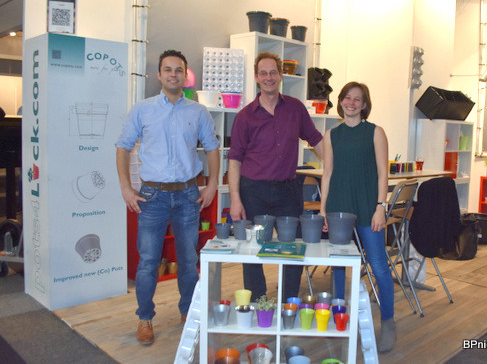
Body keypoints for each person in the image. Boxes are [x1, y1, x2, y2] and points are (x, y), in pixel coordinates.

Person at [116, 50, 219, 346]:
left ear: (185, 76)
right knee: (148, 261)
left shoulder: (198, 112)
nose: (173, 74)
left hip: (188, 195)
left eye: (179, 70)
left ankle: (187, 313)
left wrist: (212, 184)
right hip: (152, 196)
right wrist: (126, 188)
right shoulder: (142, 110)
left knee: (188, 259)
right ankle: (145, 318)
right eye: (168, 70)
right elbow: (123, 147)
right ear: (159, 75)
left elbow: (212, 148)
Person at [228, 51, 323, 301]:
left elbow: (316, 140)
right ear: (256, 77)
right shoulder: (244, 117)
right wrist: (235, 199)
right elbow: (235, 160)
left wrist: (337, 164)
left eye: (273, 72)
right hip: (253, 191)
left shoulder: (295, 108)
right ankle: (258, 301)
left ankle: (288, 302)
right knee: (252, 249)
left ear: (281, 75)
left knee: (293, 248)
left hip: (287, 191)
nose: (268, 77)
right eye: (263, 73)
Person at [320, 81, 397, 352]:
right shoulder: (331, 135)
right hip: (338, 207)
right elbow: (327, 173)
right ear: (340, 101)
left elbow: (383, 173)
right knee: (339, 267)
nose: (351, 103)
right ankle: (339, 320)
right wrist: (323, 210)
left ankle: (388, 323)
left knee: (378, 266)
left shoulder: (375, 132)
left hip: (368, 207)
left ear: (364, 104)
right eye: (347, 98)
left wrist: (380, 206)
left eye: (357, 99)